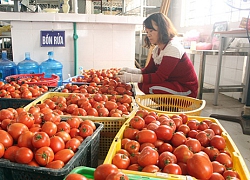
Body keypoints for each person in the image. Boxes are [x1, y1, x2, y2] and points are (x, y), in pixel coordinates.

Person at [118, 12, 198, 98]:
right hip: (172, 83)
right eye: (147, 31)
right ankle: (165, 107)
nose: (148, 34)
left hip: (185, 89)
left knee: (149, 87)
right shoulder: (157, 49)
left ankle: (170, 109)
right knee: (142, 84)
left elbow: (160, 77)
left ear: (163, 29)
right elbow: (148, 70)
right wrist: (130, 70)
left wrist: (131, 77)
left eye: (151, 31)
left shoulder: (173, 48)